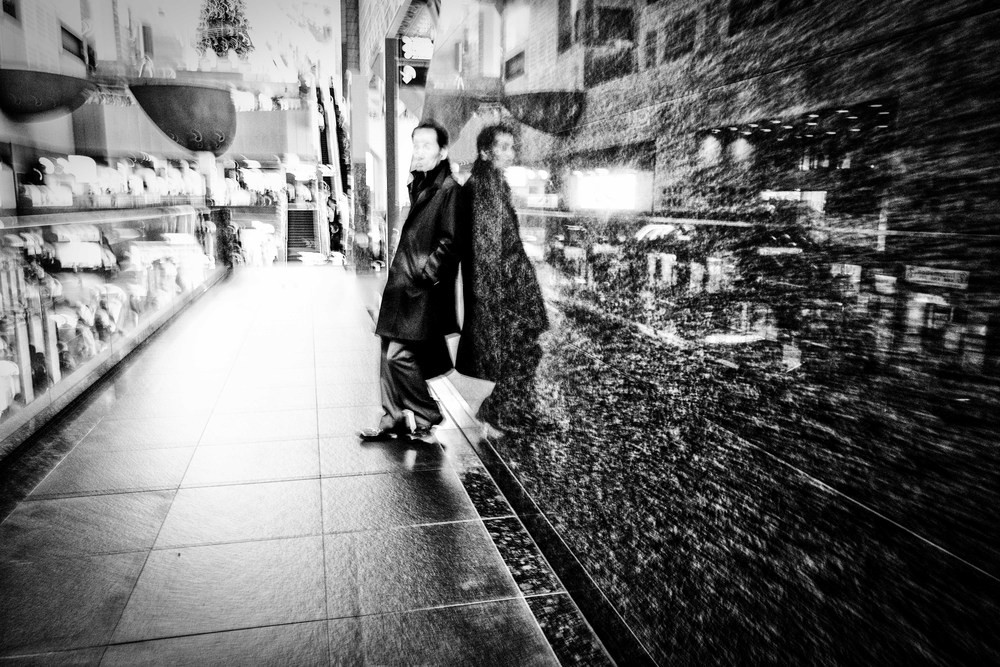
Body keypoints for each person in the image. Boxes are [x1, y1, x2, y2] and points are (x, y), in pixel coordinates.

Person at [360, 120, 462, 442]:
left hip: (420, 290)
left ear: (442, 151)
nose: (418, 152)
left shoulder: (449, 190)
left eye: (426, 146)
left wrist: (425, 274)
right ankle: (392, 418)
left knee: (398, 355)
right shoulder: (423, 184)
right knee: (386, 351)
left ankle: (427, 413)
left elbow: (450, 241)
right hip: (403, 285)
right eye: (415, 145)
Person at [455, 124, 548, 433]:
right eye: (503, 147)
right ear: (486, 152)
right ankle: (503, 410)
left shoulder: (494, 183)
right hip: (505, 288)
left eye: (512, 146)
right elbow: (487, 248)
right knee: (520, 349)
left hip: (510, 283)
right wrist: (493, 297)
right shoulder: (484, 188)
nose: (510, 153)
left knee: (522, 349)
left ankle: (511, 408)